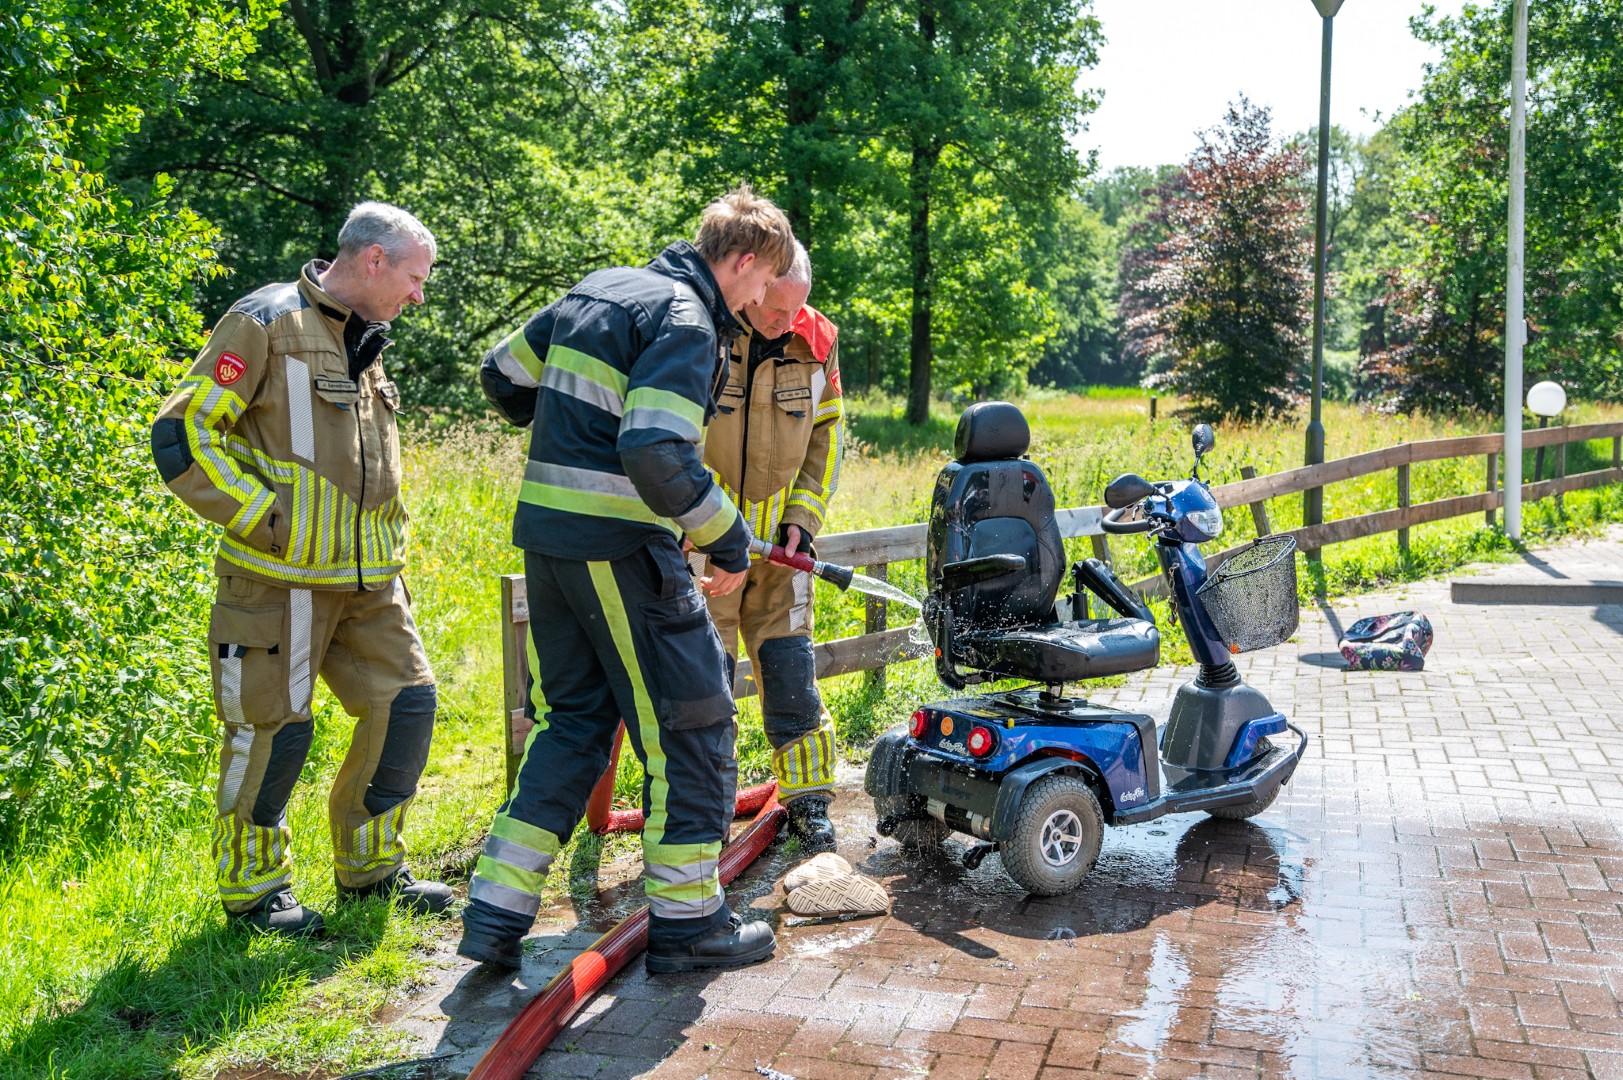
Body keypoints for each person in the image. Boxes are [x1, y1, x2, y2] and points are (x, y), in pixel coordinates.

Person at [459, 186, 795, 973]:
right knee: (691, 725)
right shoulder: (685, 318)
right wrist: (728, 539)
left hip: (548, 540)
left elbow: (502, 379)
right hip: (619, 548)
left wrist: (571, 437)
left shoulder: (601, 289)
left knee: (573, 721)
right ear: (741, 260)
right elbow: (654, 450)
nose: (753, 303)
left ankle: (494, 913)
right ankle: (689, 927)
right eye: (758, 284)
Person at [150, 202, 453, 937]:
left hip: (370, 584)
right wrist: (264, 516)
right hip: (276, 582)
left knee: (405, 708)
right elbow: (183, 432)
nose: (419, 296)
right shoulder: (264, 324)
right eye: (414, 278)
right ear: (373, 260)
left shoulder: (368, 339)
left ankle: (372, 872)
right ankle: (255, 893)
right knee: (273, 733)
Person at [697, 241, 845, 852]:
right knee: (701, 688)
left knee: (790, 676)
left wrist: (802, 523)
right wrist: (701, 527)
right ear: (753, 285)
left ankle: (808, 803)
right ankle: (697, 819)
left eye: (797, 311)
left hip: (779, 558)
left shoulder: (817, 339)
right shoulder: (700, 326)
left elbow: (827, 436)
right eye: (776, 311)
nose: (788, 323)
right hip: (703, 551)